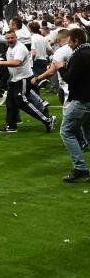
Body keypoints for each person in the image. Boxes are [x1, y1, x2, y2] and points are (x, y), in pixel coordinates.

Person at [0, 30, 56, 134]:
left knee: (22, 102)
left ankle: (47, 120)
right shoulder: (10, 48)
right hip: (14, 80)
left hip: (22, 79)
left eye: (12, 38)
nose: (10, 40)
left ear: (16, 37)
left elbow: (17, 62)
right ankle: (11, 126)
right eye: (8, 38)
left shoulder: (20, 48)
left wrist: (0, 63)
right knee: (10, 104)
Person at [59, 28, 90, 183]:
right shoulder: (87, 51)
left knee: (67, 131)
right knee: (88, 133)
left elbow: (71, 78)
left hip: (82, 100)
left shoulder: (79, 55)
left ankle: (80, 169)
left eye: (70, 41)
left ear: (76, 40)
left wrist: (60, 69)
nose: (68, 44)